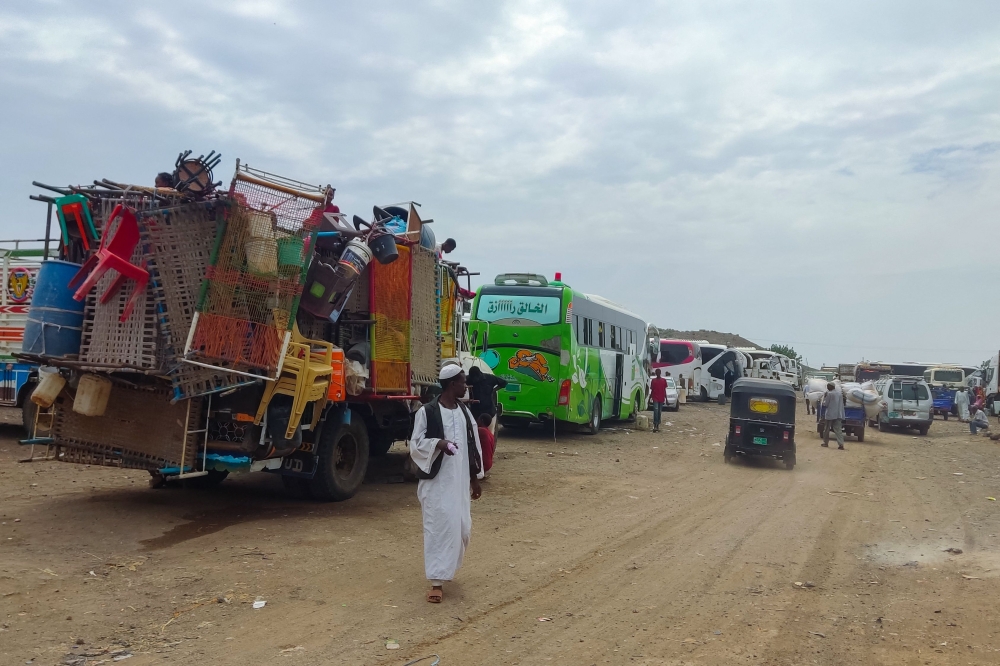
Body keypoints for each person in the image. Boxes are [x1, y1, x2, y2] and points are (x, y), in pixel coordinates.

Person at [409, 364, 484, 604]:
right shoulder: (427, 412)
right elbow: (415, 445)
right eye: (462, 382)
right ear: (452, 384)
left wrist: (475, 479)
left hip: (459, 483)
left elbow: (473, 445)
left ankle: (447, 567)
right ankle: (436, 582)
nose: (466, 386)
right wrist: (439, 444)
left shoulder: (464, 412)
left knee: (462, 529)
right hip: (437, 485)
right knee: (439, 529)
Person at [822, 382, 845, 450]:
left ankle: (825, 442)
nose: (827, 388)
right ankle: (841, 444)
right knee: (838, 430)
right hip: (838, 414)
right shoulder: (839, 394)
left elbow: (825, 404)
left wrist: (824, 398)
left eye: (828, 386)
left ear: (830, 387)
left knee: (827, 429)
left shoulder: (829, 394)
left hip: (830, 414)